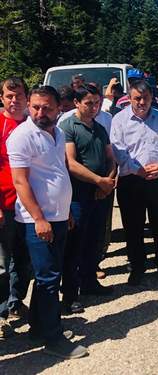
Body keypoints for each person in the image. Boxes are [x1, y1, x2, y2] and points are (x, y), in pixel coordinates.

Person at [7, 85, 88, 359]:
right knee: (49, 279)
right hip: (36, 221)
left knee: (48, 276)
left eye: (47, 108)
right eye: (35, 107)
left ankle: (38, 327)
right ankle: (54, 339)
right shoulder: (22, 136)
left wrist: (65, 212)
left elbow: (58, 172)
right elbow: (20, 181)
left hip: (58, 217)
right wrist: (40, 218)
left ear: (58, 108)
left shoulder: (58, 132)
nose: (40, 112)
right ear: (29, 105)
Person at [110, 80, 158, 286]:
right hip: (132, 181)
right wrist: (135, 169)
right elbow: (118, 150)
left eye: (145, 98)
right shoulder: (119, 120)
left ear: (151, 98)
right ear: (129, 98)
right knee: (133, 226)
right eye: (137, 98)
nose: (141, 102)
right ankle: (138, 267)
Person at [59, 84, 115, 314]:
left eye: (97, 103)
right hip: (78, 194)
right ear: (77, 103)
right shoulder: (68, 127)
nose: (93, 107)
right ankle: (70, 294)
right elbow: (70, 163)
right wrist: (98, 181)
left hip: (100, 193)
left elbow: (111, 157)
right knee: (75, 244)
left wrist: (109, 181)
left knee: (94, 239)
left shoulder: (100, 128)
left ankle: (90, 282)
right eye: (88, 103)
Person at [0, 77, 31, 338]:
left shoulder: (34, 123)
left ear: (26, 98)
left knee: (25, 260)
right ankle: (0, 315)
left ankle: (15, 302)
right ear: (1, 98)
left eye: (18, 96)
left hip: (30, 205)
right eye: (9, 96)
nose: (14, 101)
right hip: (5, 204)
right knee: (2, 262)